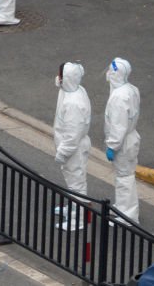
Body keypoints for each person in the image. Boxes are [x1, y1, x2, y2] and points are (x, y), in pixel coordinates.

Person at [52, 62, 91, 231]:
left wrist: (62, 153)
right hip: (73, 147)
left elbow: (72, 134)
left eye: (60, 75)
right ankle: (73, 210)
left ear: (66, 78)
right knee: (72, 181)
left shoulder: (73, 103)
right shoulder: (72, 91)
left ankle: (78, 220)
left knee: (76, 184)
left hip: (73, 150)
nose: (58, 78)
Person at [104, 58, 140, 223]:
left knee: (125, 178)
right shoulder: (130, 89)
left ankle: (128, 216)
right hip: (130, 138)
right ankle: (123, 208)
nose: (108, 73)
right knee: (123, 176)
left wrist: (112, 146)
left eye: (111, 71)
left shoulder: (119, 97)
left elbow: (119, 125)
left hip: (123, 143)